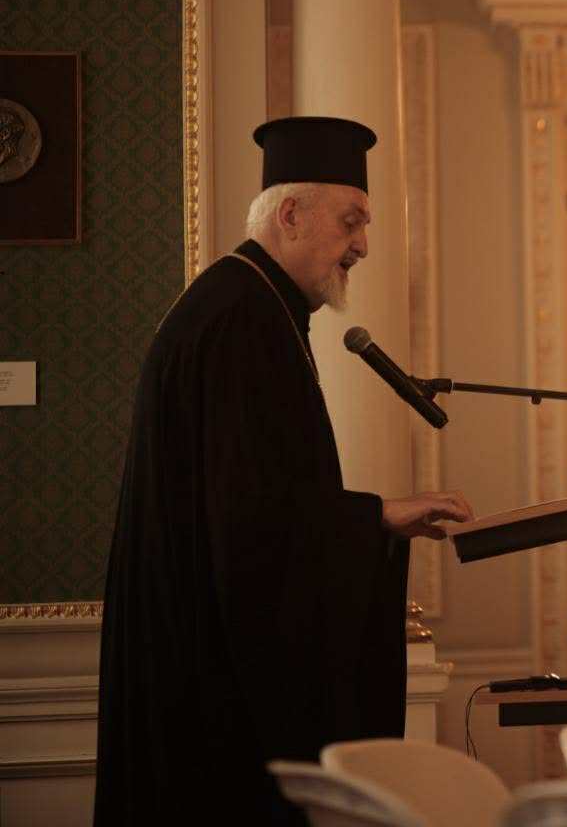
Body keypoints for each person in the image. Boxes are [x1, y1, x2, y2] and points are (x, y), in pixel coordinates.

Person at [94, 116, 474, 826]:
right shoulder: (241, 319)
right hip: (208, 676)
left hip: (196, 651)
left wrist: (367, 521)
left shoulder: (254, 305)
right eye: (351, 222)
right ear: (291, 214)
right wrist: (375, 516)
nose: (363, 245)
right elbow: (247, 516)